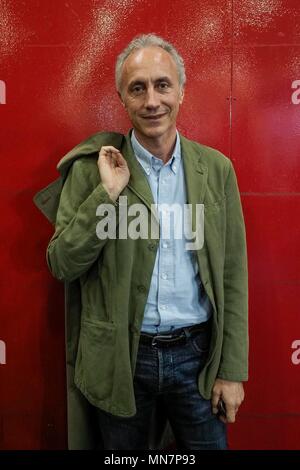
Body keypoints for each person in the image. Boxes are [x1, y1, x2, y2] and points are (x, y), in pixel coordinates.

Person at [46, 33, 248, 450]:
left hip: (197, 358)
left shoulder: (216, 169)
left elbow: (232, 276)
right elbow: (62, 264)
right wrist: (107, 194)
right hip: (121, 359)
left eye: (162, 85)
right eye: (138, 88)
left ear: (181, 92)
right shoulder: (93, 170)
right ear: (122, 97)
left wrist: (231, 370)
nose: (152, 100)